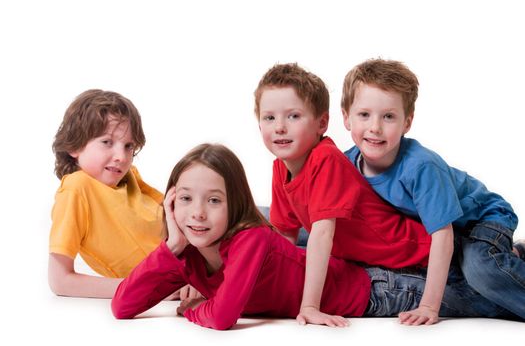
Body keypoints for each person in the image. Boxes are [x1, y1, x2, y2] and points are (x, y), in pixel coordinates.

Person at [111, 143, 519, 330]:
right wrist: (172, 247)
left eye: (213, 200)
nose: (196, 213)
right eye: (185, 200)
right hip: (360, 273)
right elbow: (122, 306)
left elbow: (221, 317)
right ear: (170, 203)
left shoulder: (249, 239)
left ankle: (504, 251)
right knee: (475, 285)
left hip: (375, 291)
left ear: (235, 205)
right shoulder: (188, 251)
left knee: (487, 299)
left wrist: (189, 310)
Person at [341, 58, 525, 323]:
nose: (375, 127)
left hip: (481, 219)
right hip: (446, 231)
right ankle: (514, 254)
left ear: (407, 122)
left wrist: (428, 305)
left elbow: (442, 236)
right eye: (364, 114)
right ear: (346, 117)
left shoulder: (420, 167)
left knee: (480, 271)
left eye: (389, 116)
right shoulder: (348, 163)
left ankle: (503, 255)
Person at [254, 63, 436, 326]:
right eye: (269, 118)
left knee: (477, 293)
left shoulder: (325, 158)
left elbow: (323, 233)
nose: (279, 127)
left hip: (411, 257)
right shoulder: (280, 167)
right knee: (259, 223)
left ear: (322, 123)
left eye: (293, 116)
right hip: (358, 256)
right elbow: (285, 237)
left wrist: (310, 305)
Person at [49, 89, 169, 298]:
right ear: (74, 146)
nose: (121, 157)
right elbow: (60, 281)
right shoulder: (77, 189)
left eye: (129, 146)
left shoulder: (130, 177)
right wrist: (145, 288)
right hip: (181, 276)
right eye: (107, 142)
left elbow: (174, 208)